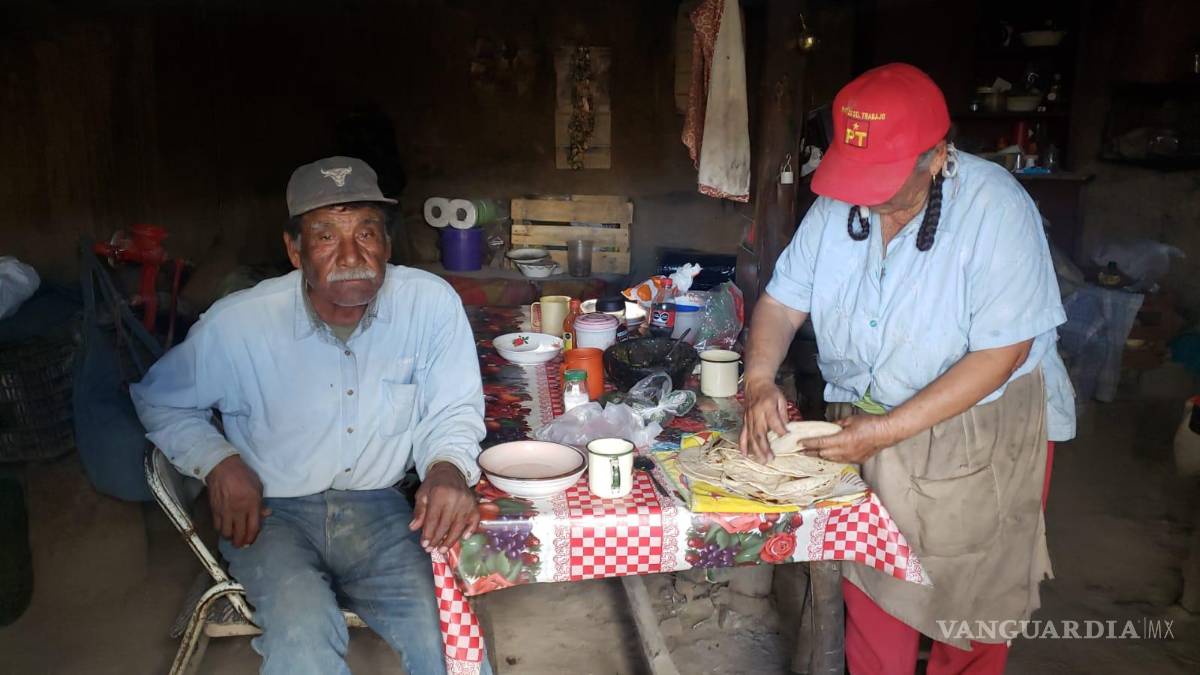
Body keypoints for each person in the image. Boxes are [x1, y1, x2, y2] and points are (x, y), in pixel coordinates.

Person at [741, 64, 1075, 675]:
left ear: (938, 156)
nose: (868, 197)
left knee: (968, 606)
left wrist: (888, 430)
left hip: (981, 426)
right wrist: (760, 379)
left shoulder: (996, 209)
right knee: (875, 589)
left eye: (887, 182)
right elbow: (784, 302)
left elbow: (1003, 355)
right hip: (867, 416)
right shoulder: (838, 204)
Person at [132, 156, 488, 675]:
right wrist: (218, 461)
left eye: (367, 232)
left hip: (382, 511)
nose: (351, 254)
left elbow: (453, 407)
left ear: (387, 244)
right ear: (294, 251)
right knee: (303, 638)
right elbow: (158, 396)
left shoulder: (428, 305)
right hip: (273, 516)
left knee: (449, 635)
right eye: (325, 236)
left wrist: (448, 467)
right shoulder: (240, 324)